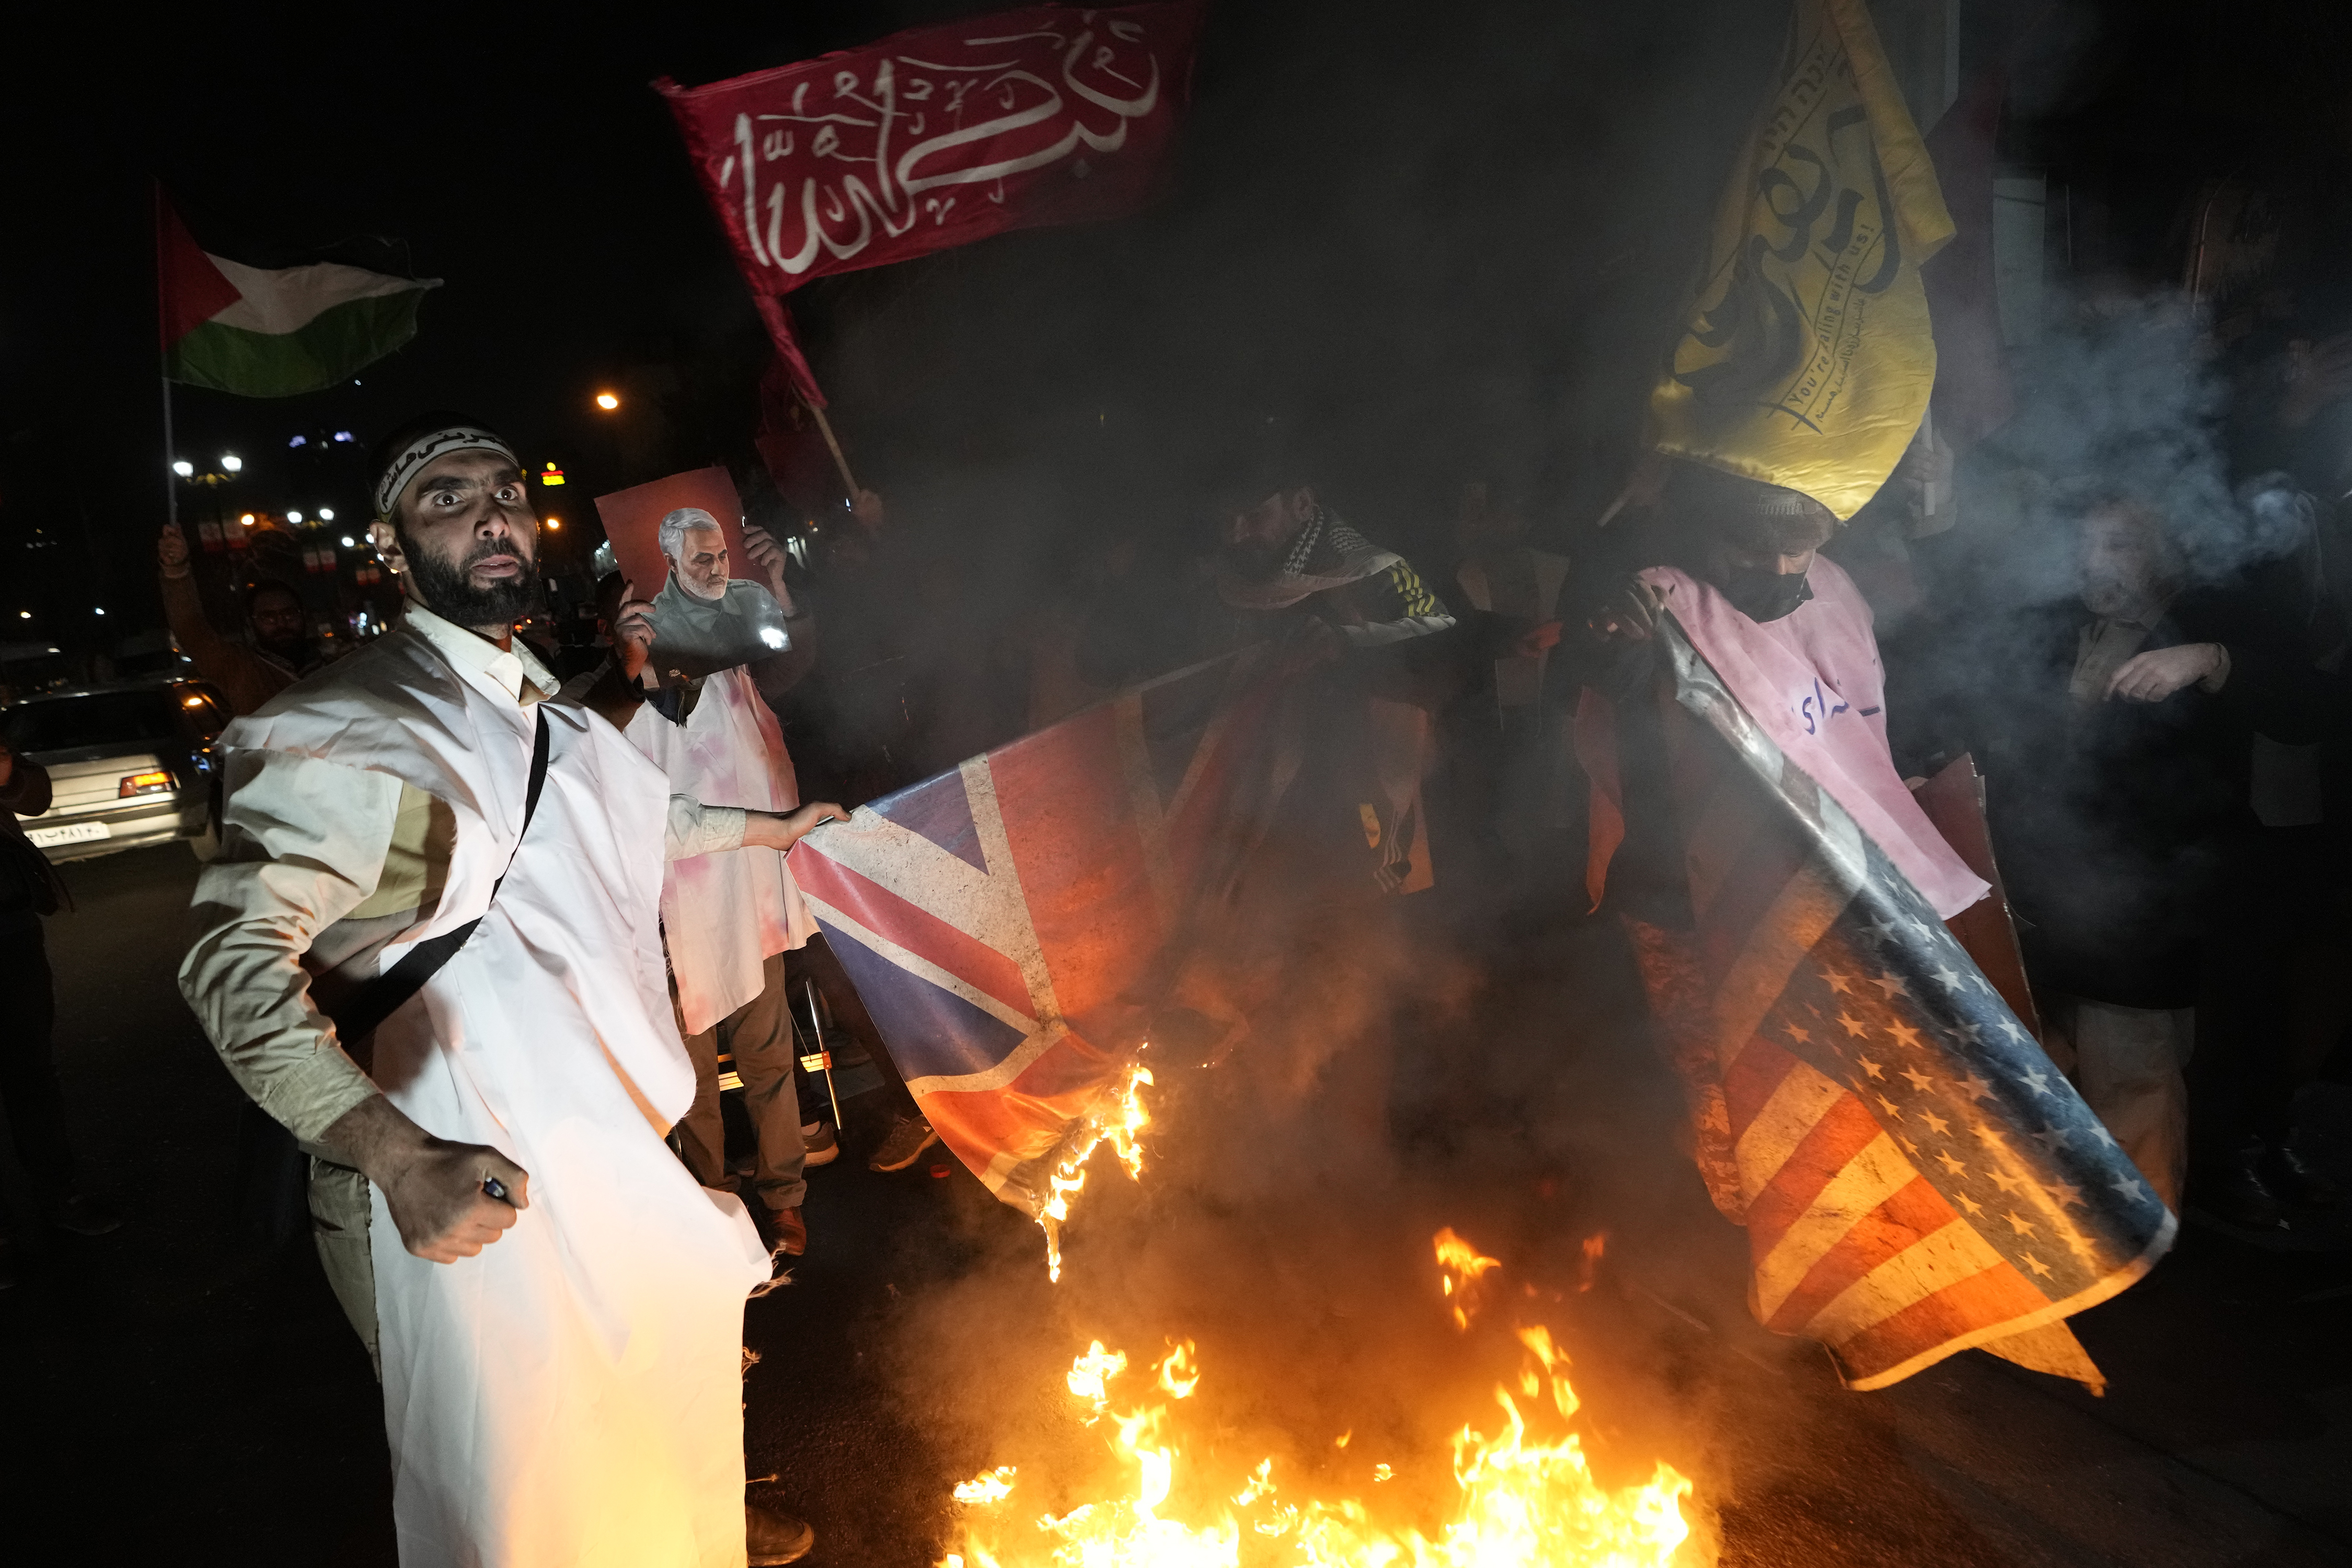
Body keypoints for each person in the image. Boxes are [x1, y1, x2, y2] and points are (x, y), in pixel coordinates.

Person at [179, 413, 839, 1567]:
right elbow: (229, 967)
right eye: (447, 499)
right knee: (521, 1496)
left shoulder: (546, 703)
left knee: (647, 1403)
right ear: (392, 551)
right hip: (465, 1176)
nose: (491, 512)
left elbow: (634, 814)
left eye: (504, 492)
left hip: (605, 1150)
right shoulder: (354, 722)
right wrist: (394, 1158)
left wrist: (767, 828)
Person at [1979, 496, 2335, 1224]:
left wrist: (2213, 662)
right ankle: (2062, 1215)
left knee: (2134, 1060)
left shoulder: (2213, 623)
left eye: (2116, 546)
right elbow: (1993, 726)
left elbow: (2313, 708)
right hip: (2043, 881)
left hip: (2150, 897)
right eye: (2081, 547)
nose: (2091, 564)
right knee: (2041, 1057)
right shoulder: (2047, 626)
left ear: (2161, 554)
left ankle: (2134, 1230)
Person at [617, 510, 824, 1256]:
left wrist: (777, 587)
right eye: (698, 555)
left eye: (721, 553)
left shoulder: (740, 629)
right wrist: (634, 662)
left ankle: (786, 1199)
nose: (712, 565)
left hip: (751, 883)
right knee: (692, 1072)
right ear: (668, 559)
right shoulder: (636, 662)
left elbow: (790, 665)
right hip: (679, 899)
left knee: (768, 1049)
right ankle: (715, 1217)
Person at [0, 734, 122, 1288]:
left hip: (11, 930)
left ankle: (60, 1197)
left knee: (32, 1075)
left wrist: (9, 776)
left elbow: (36, 796)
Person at [156, 520, 323, 715]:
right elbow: (191, 630)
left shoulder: (335, 668)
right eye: (268, 617)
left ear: (303, 616)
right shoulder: (240, 670)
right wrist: (177, 571)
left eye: (289, 613)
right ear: (252, 622)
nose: (282, 623)